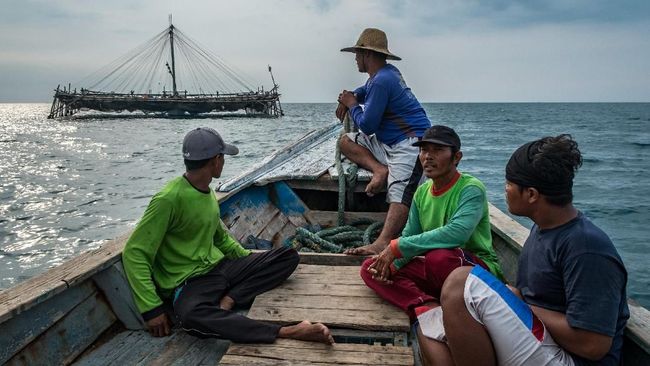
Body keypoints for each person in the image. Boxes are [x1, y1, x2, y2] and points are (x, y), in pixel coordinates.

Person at [122, 127, 333, 344]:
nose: (223, 162)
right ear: (215, 160)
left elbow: (220, 238)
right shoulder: (168, 199)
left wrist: (249, 262)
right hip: (189, 282)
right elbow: (135, 253)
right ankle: (285, 332)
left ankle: (230, 299)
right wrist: (151, 308)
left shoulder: (206, 191)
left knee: (287, 256)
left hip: (220, 267)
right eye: (223, 157)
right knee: (190, 317)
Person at [438, 135, 629, 366]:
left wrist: (521, 304)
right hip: (540, 339)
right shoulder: (543, 229)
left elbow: (593, 344)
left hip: (570, 359)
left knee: (460, 282)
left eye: (509, 184)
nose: (505, 189)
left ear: (531, 194)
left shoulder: (586, 248)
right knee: (428, 326)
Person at [358, 125, 504, 364]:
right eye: (424, 150)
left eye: (437, 150)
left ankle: (433, 303)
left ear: (456, 157)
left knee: (439, 258)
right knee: (370, 268)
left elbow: (456, 234)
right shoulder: (422, 192)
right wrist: (392, 263)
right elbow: (411, 233)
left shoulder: (471, 188)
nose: (427, 156)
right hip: (439, 273)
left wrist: (397, 247)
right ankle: (425, 305)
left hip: (472, 271)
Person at [336, 28, 431, 256]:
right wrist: (353, 95)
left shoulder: (382, 81)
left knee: (400, 194)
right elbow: (364, 90)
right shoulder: (383, 75)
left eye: (357, 54)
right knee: (345, 141)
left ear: (367, 55)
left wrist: (351, 106)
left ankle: (383, 241)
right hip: (388, 143)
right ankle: (380, 169)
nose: (355, 59)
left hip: (410, 144)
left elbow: (367, 125)